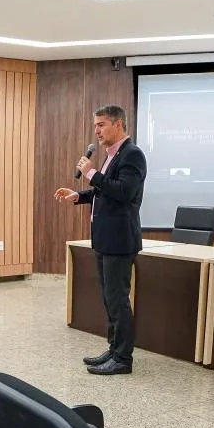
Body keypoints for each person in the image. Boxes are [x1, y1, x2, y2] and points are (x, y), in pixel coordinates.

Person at [54, 104, 146, 375]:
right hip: (105, 239)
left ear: (118, 124)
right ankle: (113, 348)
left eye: (101, 124)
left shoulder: (133, 155)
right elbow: (103, 191)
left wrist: (92, 173)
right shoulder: (110, 155)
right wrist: (79, 195)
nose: (96, 130)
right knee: (109, 298)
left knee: (118, 299)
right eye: (95, 125)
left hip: (120, 240)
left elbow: (124, 192)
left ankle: (123, 359)